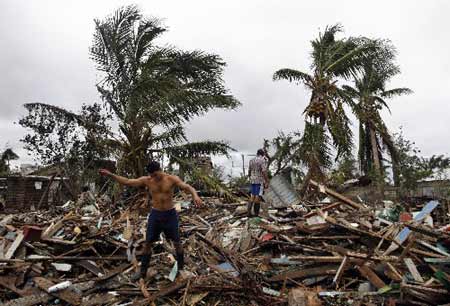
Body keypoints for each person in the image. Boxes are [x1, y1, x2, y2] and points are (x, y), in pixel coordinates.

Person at [99, 161, 203, 281]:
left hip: (170, 215)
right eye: (151, 175)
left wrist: (195, 195)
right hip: (156, 215)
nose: (152, 177)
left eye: (154, 175)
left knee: (177, 242)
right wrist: (110, 175)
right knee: (148, 243)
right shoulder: (147, 180)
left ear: (160, 170)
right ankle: (143, 271)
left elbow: (187, 187)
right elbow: (127, 181)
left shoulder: (171, 179)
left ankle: (180, 268)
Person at [247, 149, 269, 217]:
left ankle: (249, 212)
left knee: (252, 195)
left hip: (252, 180)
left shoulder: (251, 160)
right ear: (263, 154)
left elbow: (249, 170)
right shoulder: (262, 160)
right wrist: (267, 181)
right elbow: (264, 171)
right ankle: (256, 214)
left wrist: (250, 177)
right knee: (258, 196)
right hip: (259, 180)